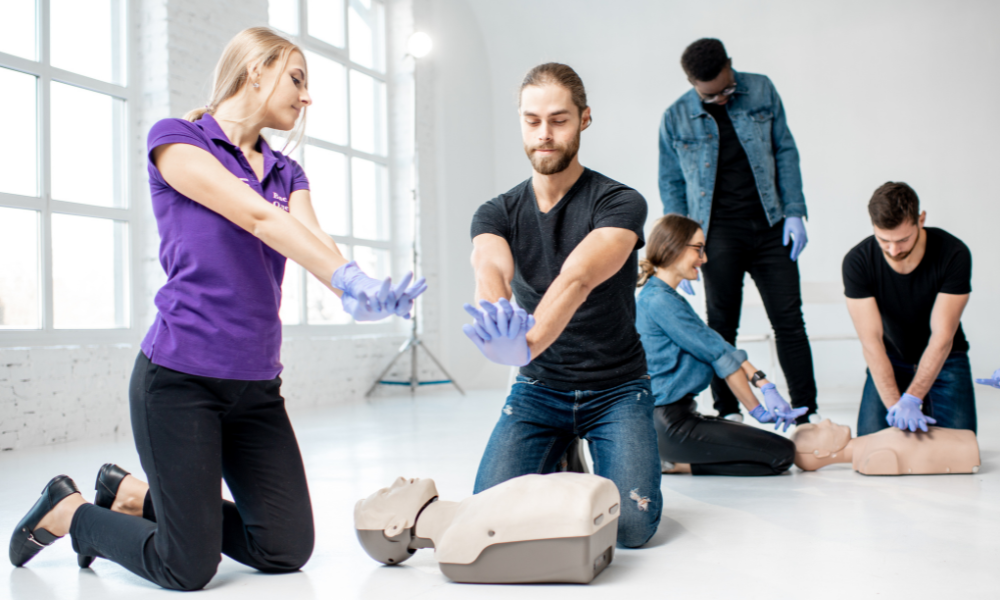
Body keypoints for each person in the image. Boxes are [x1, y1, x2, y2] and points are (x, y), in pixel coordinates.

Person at [9, 27, 425, 591]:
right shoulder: (177, 140)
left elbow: (311, 238)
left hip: (255, 388)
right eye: (297, 78)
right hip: (180, 383)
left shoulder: (286, 172)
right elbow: (259, 219)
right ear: (256, 70)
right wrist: (345, 278)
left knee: (285, 548)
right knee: (187, 567)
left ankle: (132, 494)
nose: (306, 98)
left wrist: (361, 290)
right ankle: (72, 513)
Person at [463, 63, 662, 548]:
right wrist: (496, 321)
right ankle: (563, 457)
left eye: (559, 119)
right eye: (532, 121)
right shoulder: (497, 211)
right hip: (539, 389)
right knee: (487, 512)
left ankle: (566, 461)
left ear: (585, 119)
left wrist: (526, 342)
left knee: (633, 530)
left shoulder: (619, 202)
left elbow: (578, 277)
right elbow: (490, 268)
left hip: (616, 389)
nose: (545, 134)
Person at [658, 38, 818, 424]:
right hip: (716, 235)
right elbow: (672, 184)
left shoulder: (761, 89)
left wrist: (795, 211)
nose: (723, 98)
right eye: (712, 96)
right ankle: (729, 412)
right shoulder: (675, 117)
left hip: (770, 226)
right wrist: (679, 248)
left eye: (728, 89)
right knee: (721, 326)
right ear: (693, 84)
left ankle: (807, 414)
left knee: (789, 321)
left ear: (731, 65)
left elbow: (785, 150)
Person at [635, 214, 805, 476]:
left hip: (676, 418)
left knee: (773, 449)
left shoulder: (664, 297)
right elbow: (721, 357)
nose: (703, 259)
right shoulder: (660, 302)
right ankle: (677, 464)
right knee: (781, 455)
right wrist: (757, 409)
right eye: (698, 249)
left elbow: (721, 348)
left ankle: (673, 461)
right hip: (671, 424)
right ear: (674, 247)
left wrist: (763, 383)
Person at [844, 181, 974, 436]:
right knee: (872, 447)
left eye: (903, 240)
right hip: (890, 358)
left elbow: (942, 337)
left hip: (947, 358)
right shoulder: (857, 262)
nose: (894, 250)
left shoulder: (953, 253)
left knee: (961, 450)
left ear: (921, 219)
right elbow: (871, 342)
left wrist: (913, 398)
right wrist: (895, 405)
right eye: (884, 240)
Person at [354, 473, 620, 584]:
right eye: (388, 492)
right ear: (395, 527)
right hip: (582, 505)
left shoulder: (472, 509)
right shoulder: (454, 548)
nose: (400, 479)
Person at [791, 419, 980, 475]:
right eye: (817, 429)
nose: (825, 421)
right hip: (968, 452)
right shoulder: (872, 459)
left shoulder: (871, 443)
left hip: (966, 441)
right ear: (821, 453)